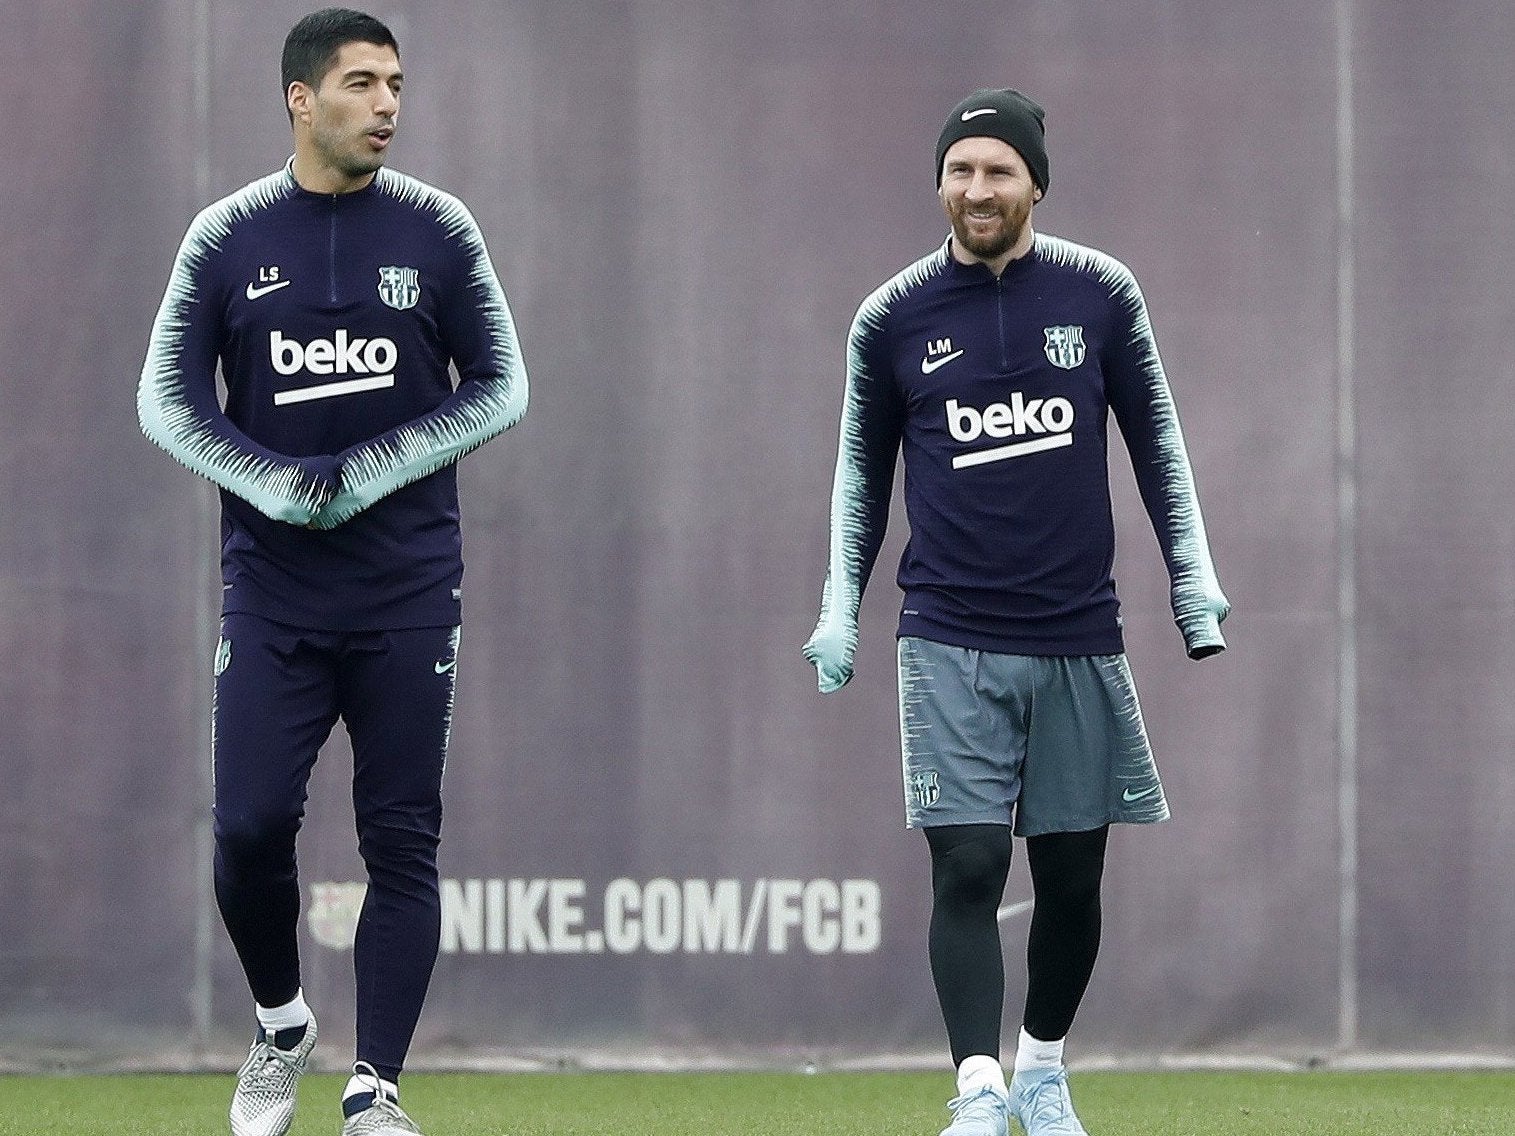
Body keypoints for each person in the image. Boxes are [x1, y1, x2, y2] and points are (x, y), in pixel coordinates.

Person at [803, 88, 1228, 1136]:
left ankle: (1041, 1068)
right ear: (940, 183)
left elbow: (1157, 447)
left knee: (1072, 873)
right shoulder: (892, 316)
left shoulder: (1100, 294)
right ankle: (979, 1089)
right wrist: (839, 609)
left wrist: (1193, 583)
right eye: (960, 170)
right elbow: (861, 474)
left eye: (998, 171)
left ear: (1035, 181)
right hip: (946, 631)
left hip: (1079, 631)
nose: (977, 189)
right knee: (970, 858)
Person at [138, 9, 528, 1135]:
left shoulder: (441, 229)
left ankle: (377, 1088)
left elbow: (501, 385)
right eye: (363, 83)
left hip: (409, 586)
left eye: (397, 83)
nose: (388, 104)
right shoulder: (225, 235)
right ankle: (280, 1024)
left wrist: (368, 468)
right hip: (272, 590)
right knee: (251, 825)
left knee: (400, 836)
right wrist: (269, 479)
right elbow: (165, 401)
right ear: (301, 99)